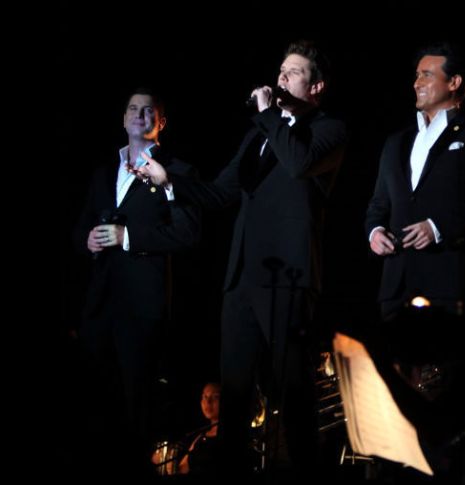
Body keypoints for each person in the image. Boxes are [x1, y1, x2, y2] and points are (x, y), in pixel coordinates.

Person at [135, 40, 347, 478]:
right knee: (234, 396)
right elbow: (219, 193)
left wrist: (269, 115)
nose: (282, 77)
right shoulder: (259, 135)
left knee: (293, 389)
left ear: (317, 86)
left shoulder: (327, 130)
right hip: (242, 278)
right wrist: (169, 180)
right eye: (281, 70)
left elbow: (298, 164)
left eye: (294, 72)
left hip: (288, 278)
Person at [73, 87, 201, 476]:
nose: (139, 114)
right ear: (123, 118)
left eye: (148, 110)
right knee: (94, 400)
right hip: (100, 304)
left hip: (142, 307)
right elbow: (80, 228)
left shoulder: (177, 171)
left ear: (161, 122)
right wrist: (88, 241)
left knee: (136, 405)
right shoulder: (102, 173)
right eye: (133, 108)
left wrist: (127, 237)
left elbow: (187, 233)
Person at [365, 42, 465, 319]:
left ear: (454, 82)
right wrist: (375, 232)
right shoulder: (396, 142)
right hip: (396, 283)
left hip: (449, 282)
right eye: (417, 75)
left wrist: (437, 227)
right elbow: (378, 203)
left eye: (427, 75)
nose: (417, 83)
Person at [177, 382, 221, 476]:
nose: (208, 402)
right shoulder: (201, 436)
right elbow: (182, 469)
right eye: (205, 397)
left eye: (215, 397)